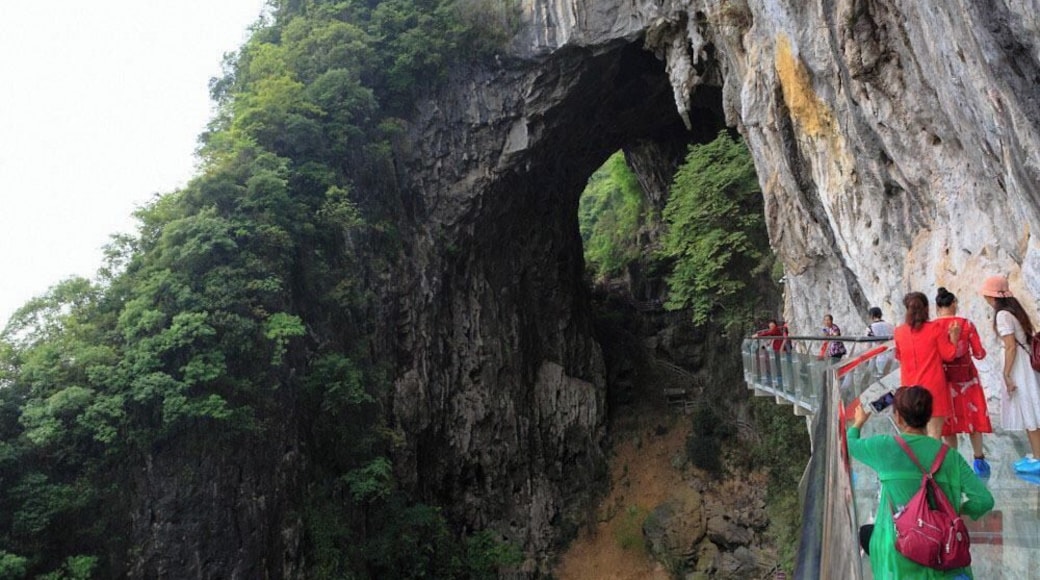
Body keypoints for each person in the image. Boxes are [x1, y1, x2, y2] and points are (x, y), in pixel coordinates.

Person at [848, 386, 994, 579]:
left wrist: (858, 423)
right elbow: (984, 500)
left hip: (899, 550)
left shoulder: (885, 447)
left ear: (898, 418)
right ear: (929, 416)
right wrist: (955, 508)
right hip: (942, 551)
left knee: (867, 534)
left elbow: (851, 444)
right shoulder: (950, 456)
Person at [979, 275, 1040, 474]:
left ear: (993, 297)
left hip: (1018, 367)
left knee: (1028, 411)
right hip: (1025, 362)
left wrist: (1006, 374)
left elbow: (1010, 346)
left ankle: (1039, 458)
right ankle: (1037, 454)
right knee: (1031, 408)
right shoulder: (1015, 311)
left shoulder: (1002, 315)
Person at [933, 287, 992, 477]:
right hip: (967, 380)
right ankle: (979, 461)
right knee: (972, 418)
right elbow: (979, 353)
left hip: (944, 380)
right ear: (954, 304)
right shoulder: (966, 324)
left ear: (937, 306)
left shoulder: (933, 328)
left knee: (948, 423)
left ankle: (953, 463)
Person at [894, 292, 960, 439]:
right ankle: (933, 462)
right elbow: (948, 355)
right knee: (934, 435)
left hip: (909, 390)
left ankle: (916, 462)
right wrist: (954, 338)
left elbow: (899, 356)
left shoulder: (899, 332)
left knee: (913, 436)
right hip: (933, 387)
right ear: (926, 308)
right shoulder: (935, 329)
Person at [866, 306, 895, 375]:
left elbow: (868, 346)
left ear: (871, 316)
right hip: (893, 357)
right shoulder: (890, 325)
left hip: (881, 357)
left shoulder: (870, 328)